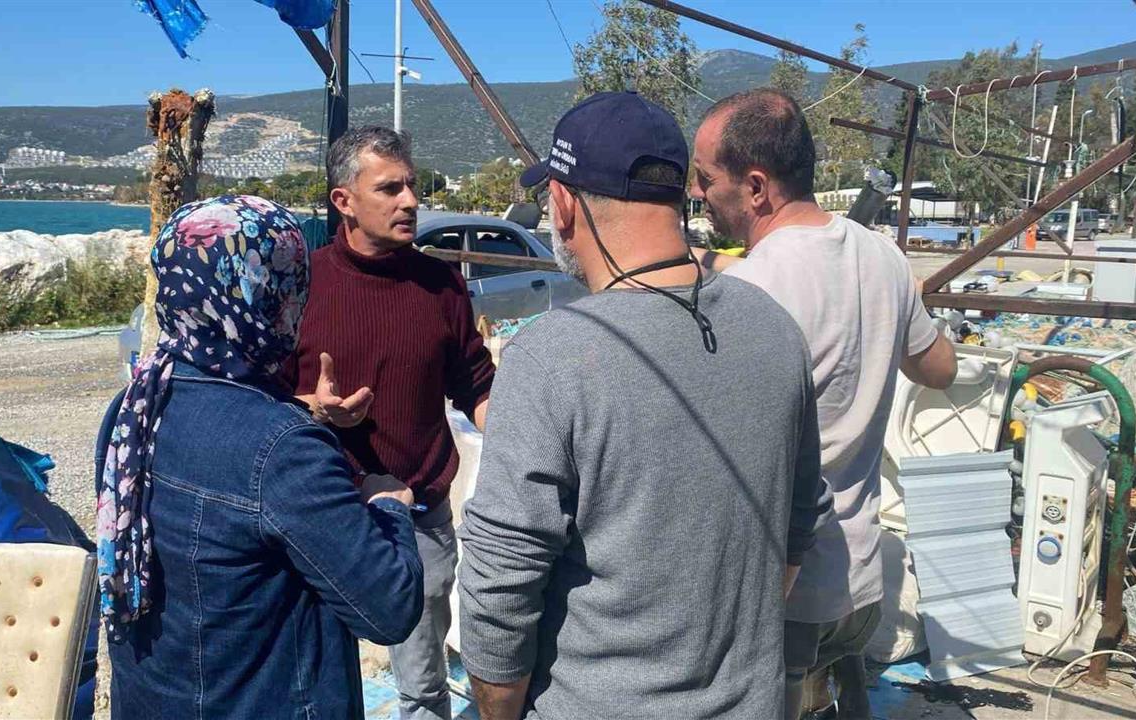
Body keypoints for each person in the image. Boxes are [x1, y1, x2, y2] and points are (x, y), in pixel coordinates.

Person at [457, 91, 830, 720]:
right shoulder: (775, 328)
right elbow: (801, 516)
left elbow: (500, 584)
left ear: (564, 204)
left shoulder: (550, 356)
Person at [96, 195, 423, 719]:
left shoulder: (135, 406)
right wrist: (389, 506)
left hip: (154, 699)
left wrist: (300, 409)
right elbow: (389, 609)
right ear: (269, 296)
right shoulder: (284, 449)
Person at [691, 88, 958, 719]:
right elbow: (941, 369)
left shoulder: (746, 295)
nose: (697, 194)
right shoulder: (882, 255)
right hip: (862, 580)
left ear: (756, 187)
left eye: (705, 178)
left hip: (789, 590)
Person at [287, 127, 496, 720]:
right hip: (319, 515)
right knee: (315, 679)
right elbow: (256, 399)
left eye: (412, 185)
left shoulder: (441, 285)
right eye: (390, 188)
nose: (410, 201)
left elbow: (475, 384)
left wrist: (527, 441)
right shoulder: (300, 285)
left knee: (423, 687)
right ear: (344, 201)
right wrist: (312, 408)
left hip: (420, 510)